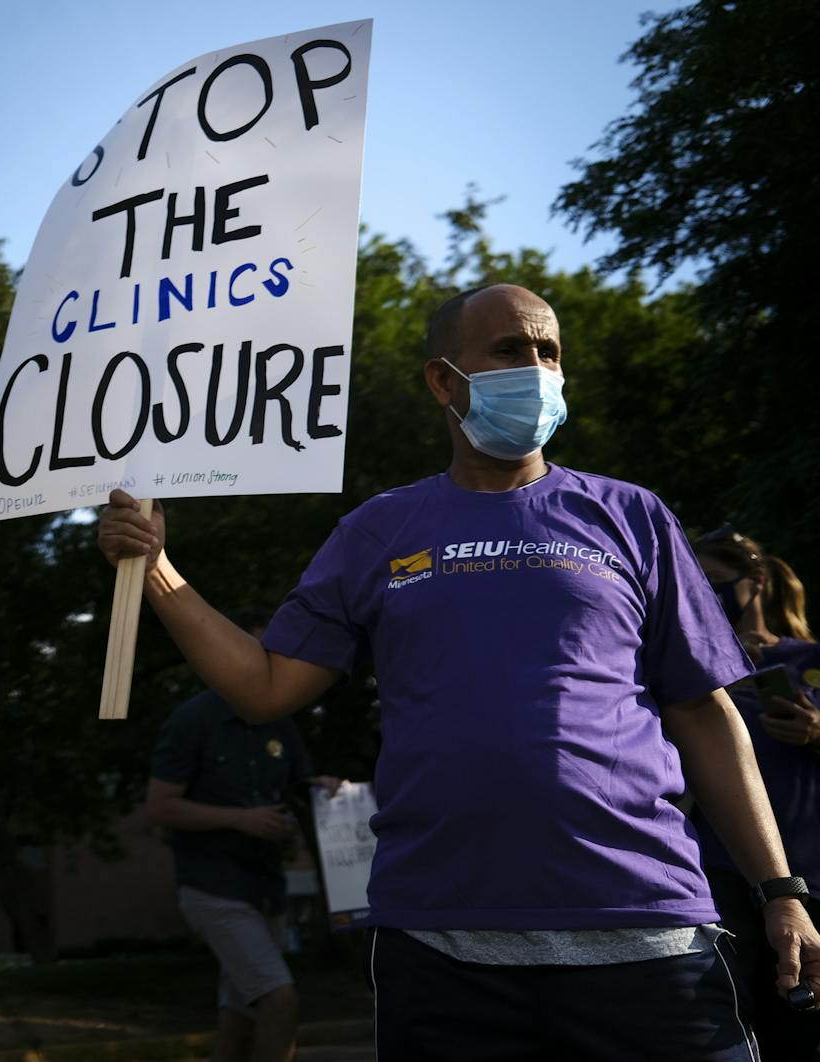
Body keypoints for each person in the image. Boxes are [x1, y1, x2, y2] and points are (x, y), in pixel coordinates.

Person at [98, 283, 820, 1060]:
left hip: (645, 930)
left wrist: (780, 890)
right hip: (440, 946)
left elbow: (703, 715)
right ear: (444, 381)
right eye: (510, 351)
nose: (537, 369)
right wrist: (159, 570)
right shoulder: (377, 529)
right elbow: (265, 688)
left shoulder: (631, 515)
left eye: (550, 352)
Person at [147, 607, 336, 1062]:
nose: (269, 659)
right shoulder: (193, 720)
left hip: (266, 889)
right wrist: (239, 818)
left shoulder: (281, 721)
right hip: (214, 888)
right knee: (280, 999)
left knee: (239, 1021)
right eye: (257, 649)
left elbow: (296, 788)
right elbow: (160, 807)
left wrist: (325, 789)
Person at [693, 528, 820, 1060]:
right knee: (730, 1011)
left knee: (803, 1011)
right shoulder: (690, 664)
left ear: (757, 581)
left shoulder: (808, 657)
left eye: (719, 583)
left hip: (808, 861)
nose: (711, 595)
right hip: (718, 865)